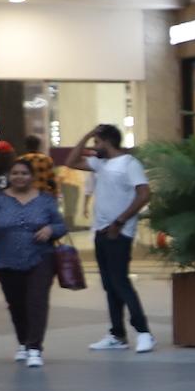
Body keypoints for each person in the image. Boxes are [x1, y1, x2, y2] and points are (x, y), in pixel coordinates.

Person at [0, 157, 70, 367]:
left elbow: (61, 225)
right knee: (17, 305)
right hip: (6, 261)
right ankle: (24, 342)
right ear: (9, 177)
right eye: (15, 173)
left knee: (36, 302)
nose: (19, 177)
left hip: (41, 258)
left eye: (24, 173)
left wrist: (50, 229)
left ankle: (34, 348)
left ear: (31, 176)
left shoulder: (45, 199)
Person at [65, 124, 154, 354]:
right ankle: (117, 334)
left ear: (107, 141)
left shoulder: (129, 164)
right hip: (101, 231)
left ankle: (143, 332)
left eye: (97, 142)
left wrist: (120, 221)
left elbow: (144, 194)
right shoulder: (100, 163)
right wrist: (85, 134)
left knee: (120, 282)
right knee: (109, 285)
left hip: (119, 231)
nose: (94, 147)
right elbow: (71, 162)